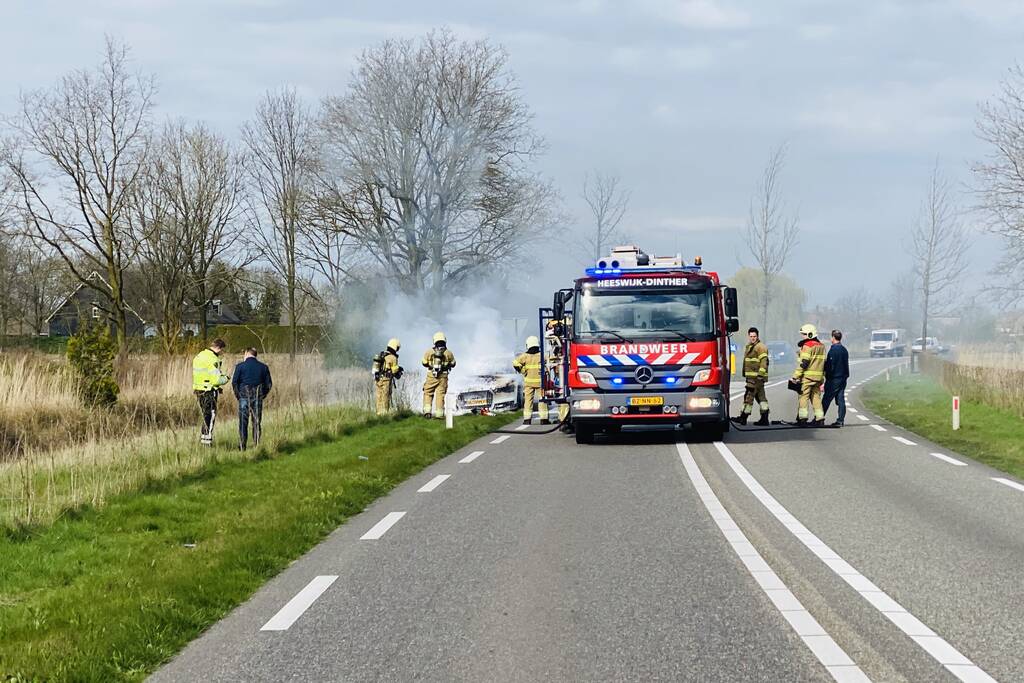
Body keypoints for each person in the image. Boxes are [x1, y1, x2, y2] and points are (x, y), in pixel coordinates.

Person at [231, 348, 273, 450]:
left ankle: (242, 445)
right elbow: (268, 384)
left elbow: (234, 382)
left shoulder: (240, 366)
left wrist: (238, 396)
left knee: (243, 422)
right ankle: (257, 444)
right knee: (256, 421)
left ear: (246, 353)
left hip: (244, 396)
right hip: (258, 396)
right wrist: (263, 395)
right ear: (255, 355)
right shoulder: (263, 367)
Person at [192, 338, 230, 446]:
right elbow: (216, 380)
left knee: (205, 415)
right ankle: (207, 441)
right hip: (209, 391)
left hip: (199, 390)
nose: (221, 353)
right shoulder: (213, 359)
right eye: (222, 350)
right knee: (211, 415)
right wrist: (226, 378)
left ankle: (203, 439)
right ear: (219, 348)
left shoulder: (199, 356)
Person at [791, 324, 827, 426]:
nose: (803, 336)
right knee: (816, 397)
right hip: (818, 378)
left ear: (810, 334)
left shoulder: (807, 346)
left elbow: (804, 363)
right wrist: (823, 377)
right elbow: (824, 363)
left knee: (803, 397)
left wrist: (795, 376)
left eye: (804, 334)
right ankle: (820, 419)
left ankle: (802, 419)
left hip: (807, 377)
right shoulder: (822, 346)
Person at [735, 326, 770, 426]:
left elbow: (764, 362)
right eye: (751, 336)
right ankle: (765, 418)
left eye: (754, 336)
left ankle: (743, 417)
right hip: (753, 378)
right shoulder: (750, 346)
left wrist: (760, 375)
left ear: (757, 336)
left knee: (749, 397)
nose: (752, 338)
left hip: (756, 378)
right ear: (748, 336)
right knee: (761, 398)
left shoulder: (760, 347)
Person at [421, 332, 456, 418]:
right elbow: (453, 363)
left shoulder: (429, 352)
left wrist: (430, 364)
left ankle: (427, 412)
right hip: (443, 376)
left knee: (428, 392)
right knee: (440, 395)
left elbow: (423, 362)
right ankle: (439, 414)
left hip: (431, 375)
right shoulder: (448, 353)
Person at [514, 335, 547, 425]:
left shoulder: (524, 356)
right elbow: (550, 362)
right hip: (541, 383)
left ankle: (527, 420)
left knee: (528, 401)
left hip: (529, 383)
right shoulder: (542, 355)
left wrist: (523, 371)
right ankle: (544, 419)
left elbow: (515, 363)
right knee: (542, 400)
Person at [822, 329, 850, 427]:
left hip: (834, 379)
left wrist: (826, 377)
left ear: (833, 338)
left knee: (826, 399)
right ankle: (840, 420)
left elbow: (830, 366)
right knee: (841, 399)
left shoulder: (833, 350)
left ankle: (819, 418)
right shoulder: (844, 349)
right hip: (843, 378)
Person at [373, 338, 403, 415]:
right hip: (386, 379)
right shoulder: (393, 357)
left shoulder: (382, 354)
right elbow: (394, 371)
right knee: (385, 396)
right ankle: (384, 413)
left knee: (379, 395)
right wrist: (399, 369)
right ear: (395, 347)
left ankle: (378, 412)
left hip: (378, 379)